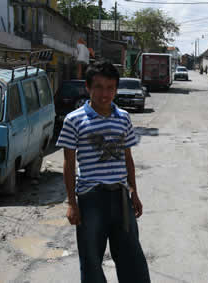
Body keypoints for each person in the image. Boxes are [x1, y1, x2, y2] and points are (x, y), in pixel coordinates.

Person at [56, 61, 151, 283]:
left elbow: (128, 158)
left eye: (110, 87)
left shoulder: (124, 118)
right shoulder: (74, 120)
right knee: (91, 260)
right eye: (98, 87)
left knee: (131, 257)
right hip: (91, 199)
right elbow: (69, 164)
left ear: (116, 89)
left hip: (120, 197)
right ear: (88, 88)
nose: (104, 93)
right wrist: (72, 202)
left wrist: (134, 193)